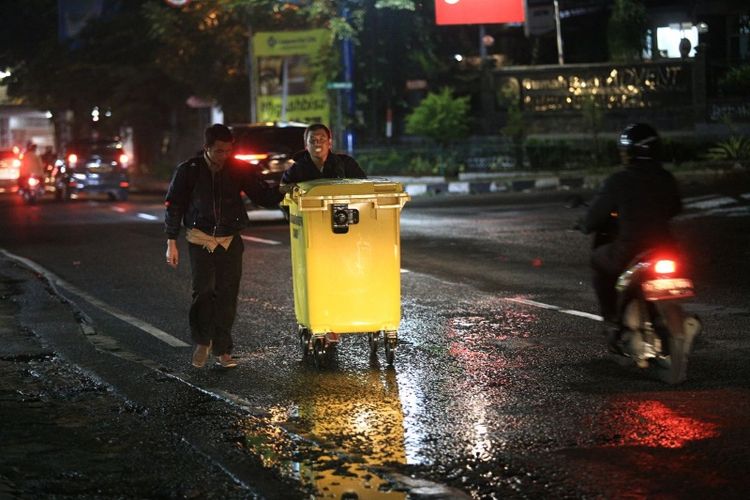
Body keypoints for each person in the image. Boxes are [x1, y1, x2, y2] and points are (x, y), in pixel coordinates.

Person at [164, 124, 283, 368]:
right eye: (219, 151)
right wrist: (171, 242)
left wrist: (288, 185)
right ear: (206, 148)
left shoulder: (238, 169)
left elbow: (263, 196)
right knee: (204, 292)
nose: (224, 156)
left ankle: (222, 349)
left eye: (228, 150)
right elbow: (174, 205)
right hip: (200, 239)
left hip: (230, 240)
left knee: (227, 296)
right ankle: (202, 341)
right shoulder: (189, 171)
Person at [581, 123, 682, 344]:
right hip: (666, 249)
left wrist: (584, 224)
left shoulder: (619, 180)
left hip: (629, 250)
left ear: (631, 152)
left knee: (598, 261)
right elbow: (675, 207)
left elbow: (594, 217)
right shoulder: (666, 178)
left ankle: (612, 320)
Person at [279, 123, 366, 194]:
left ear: (329, 142)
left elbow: (364, 187)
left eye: (322, 139)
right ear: (306, 145)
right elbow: (282, 193)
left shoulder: (346, 163)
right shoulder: (296, 170)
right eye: (312, 140)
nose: (317, 143)